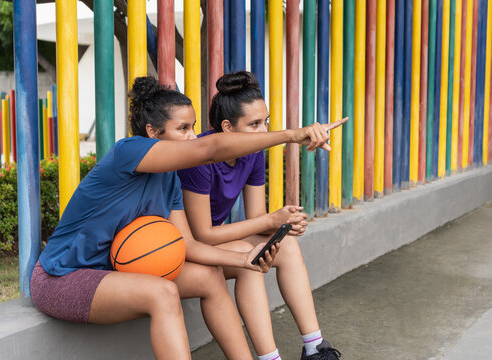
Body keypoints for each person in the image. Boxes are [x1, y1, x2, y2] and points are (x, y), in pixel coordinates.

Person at [31, 76, 344, 360]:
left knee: (208, 278)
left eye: (193, 127)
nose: (193, 136)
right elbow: (210, 149)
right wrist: (293, 134)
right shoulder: (128, 152)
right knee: (162, 293)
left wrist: (245, 259)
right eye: (183, 129)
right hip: (62, 277)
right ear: (153, 132)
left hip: (114, 271)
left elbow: (188, 245)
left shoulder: (169, 179)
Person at [178, 71, 345, 360]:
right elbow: (201, 234)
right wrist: (269, 221)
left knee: (287, 246)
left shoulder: (253, 153)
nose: (264, 130)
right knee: (249, 255)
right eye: (254, 124)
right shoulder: (198, 159)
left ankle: (314, 348)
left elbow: (255, 215)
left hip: (213, 243)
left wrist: (283, 224)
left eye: (265, 121)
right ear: (228, 127)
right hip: (186, 247)